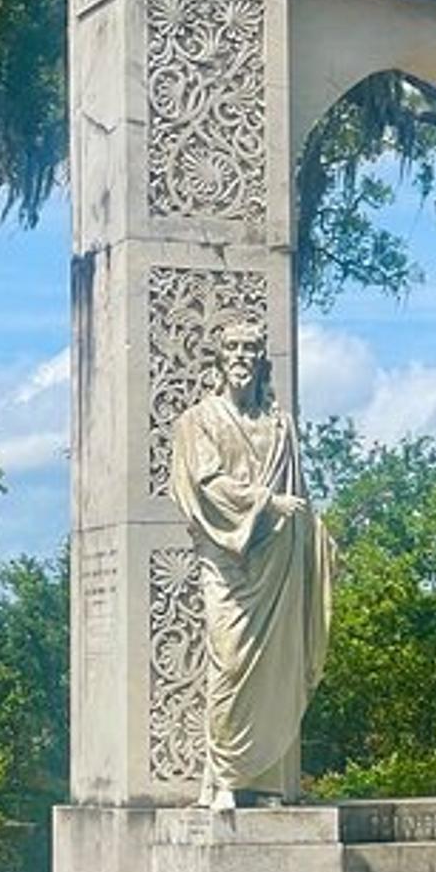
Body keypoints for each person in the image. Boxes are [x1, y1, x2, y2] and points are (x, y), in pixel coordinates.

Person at [169, 317, 333, 811]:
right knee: (231, 664)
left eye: (250, 349)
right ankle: (223, 779)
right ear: (219, 358)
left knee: (275, 669)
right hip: (229, 560)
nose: (241, 356)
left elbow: (299, 493)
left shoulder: (280, 425)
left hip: (278, 559)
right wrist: (266, 502)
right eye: (233, 348)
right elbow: (206, 485)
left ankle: (266, 782)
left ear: (261, 361)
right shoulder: (198, 420)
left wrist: (317, 540)